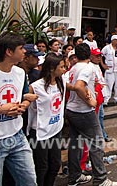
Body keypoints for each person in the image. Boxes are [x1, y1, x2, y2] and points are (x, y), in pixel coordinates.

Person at [0, 32, 37, 185]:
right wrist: (1, 109)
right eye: (21, 48)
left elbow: (23, 96)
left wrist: (24, 104)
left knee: (29, 180)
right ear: (9, 52)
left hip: (17, 135)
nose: (24, 52)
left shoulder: (20, 73)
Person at [66, 43, 117, 186]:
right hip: (83, 111)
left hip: (71, 110)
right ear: (89, 55)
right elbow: (78, 86)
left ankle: (74, 176)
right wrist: (90, 101)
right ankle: (100, 179)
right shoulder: (87, 67)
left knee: (75, 144)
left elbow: (66, 83)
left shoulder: (73, 67)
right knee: (97, 144)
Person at [27, 53, 67, 186]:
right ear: (51, 68)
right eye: (61, 67)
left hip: (55, 130)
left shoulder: (62, 82)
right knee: (41, 167)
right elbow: (24, 100)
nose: (64, 69)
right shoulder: (36, 86)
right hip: (39, 132)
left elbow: (74, 87)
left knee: (55, 164)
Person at [101, 35, 117, 105]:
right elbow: (100, 55)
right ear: (112, 40)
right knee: (108, 85)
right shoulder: (107, 48)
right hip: (110, 70)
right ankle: (105, 99)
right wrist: (103, 65)